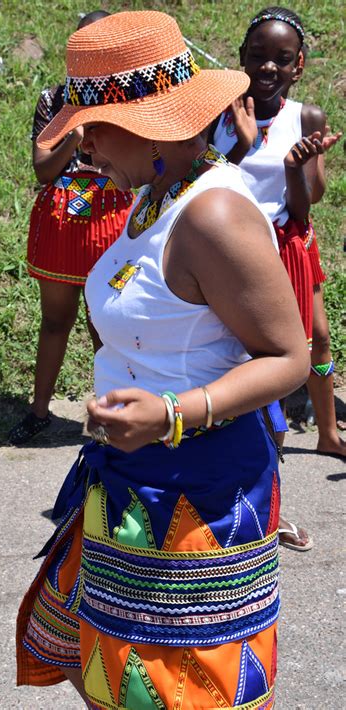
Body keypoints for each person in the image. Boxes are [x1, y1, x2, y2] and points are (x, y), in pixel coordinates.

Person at [16, 11, 310, 708]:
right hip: (128, 480)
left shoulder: (213, 215)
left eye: (92, 125)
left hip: (198, 495)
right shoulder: (152, 199)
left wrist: (174, 412)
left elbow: (289, 357)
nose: (81, 144)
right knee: (118, 683)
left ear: (152, 122)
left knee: (185, 688)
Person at [211, 6, 344, 550]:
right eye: (258, 56)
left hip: (288, 244)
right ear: (241, 59)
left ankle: (330, 431)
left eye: (281, 60)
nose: (268, 67)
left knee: (316, 339)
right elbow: (201, 184)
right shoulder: (216, 114)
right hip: (232, 251)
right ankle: (262, 489)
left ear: (299, 66)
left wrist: (294, 168)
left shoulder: (304, 118)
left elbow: (309, 202)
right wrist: (241, 144)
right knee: (254, 364)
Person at [8, 10, 134, 445]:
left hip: (111, 218)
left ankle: (113, 416)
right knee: (54, 320)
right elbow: (43, 169)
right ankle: (39, 412)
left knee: (107, 323)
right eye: (81, 48)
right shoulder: (54, 98)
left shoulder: (127, 99)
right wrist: (75, 137)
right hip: (64, 218)